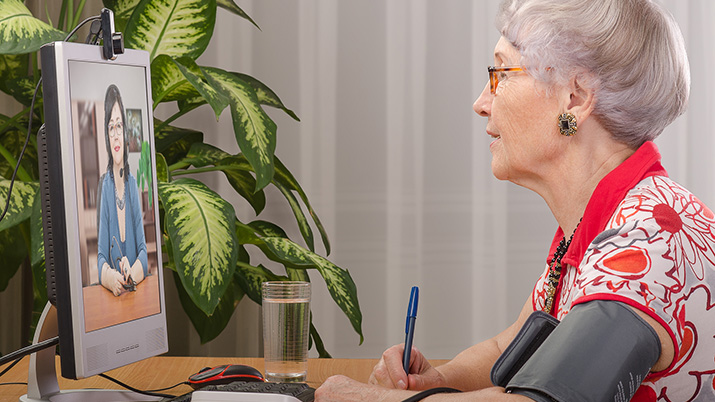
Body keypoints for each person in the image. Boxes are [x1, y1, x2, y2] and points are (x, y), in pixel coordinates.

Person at [315, 0, 715, 401]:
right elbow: (507, 350)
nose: (481, 103)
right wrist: (434, 382)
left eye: (501, 73)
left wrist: (363, 398)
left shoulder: (648, 239)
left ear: (574, 97)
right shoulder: (601, 221)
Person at [97, 84, 148, 296]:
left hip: (135, 300)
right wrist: (110, 278)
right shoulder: (104, 186)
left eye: (119, 126)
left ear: (125, 132)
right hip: (112, 303)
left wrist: (132, 273)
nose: (116, 135)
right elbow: (101, 257)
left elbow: (144, 254)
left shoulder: (133, 185)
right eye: (111, 127)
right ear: (107, 137)